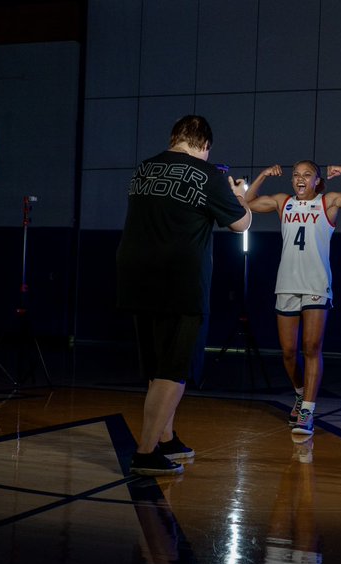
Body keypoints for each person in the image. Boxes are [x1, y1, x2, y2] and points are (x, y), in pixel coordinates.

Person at [116, 115, 252, 475]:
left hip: (135, 276)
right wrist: (239, 195)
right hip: (180, 281)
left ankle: (165, 439)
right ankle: (146, 452)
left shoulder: (144, 169)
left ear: (174, 137)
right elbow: (241, 223)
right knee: (174, 370)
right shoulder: (208, 175)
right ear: (204, 145)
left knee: (158, 366)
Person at [244, 161, 341, 435]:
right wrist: (263, 175)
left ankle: (307, 409)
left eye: (307, 175)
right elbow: (246, 203)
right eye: (296, 175)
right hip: (287, 284)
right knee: (288, 352)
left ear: (317, 181)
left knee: (311, 347)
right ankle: (300, 393)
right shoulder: (283, 202)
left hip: (316, 284)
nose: (300, 179)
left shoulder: (328, 202)